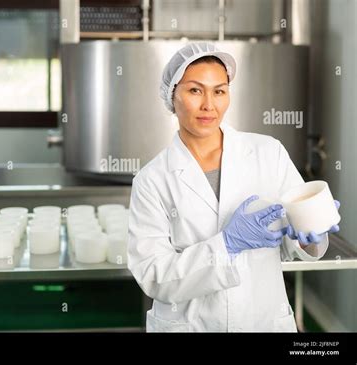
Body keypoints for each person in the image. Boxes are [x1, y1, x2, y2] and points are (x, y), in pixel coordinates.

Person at [127, 42, 340, 332]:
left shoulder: (268, 153)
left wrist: (307, 235)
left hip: (263, 320)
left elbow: (294, 244)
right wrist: (226, 245)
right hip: (192, 325)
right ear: (171, 96)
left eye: (219, 91)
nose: (208, 105)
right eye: (194, 90)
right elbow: (153, 275)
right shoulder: (152, 180)